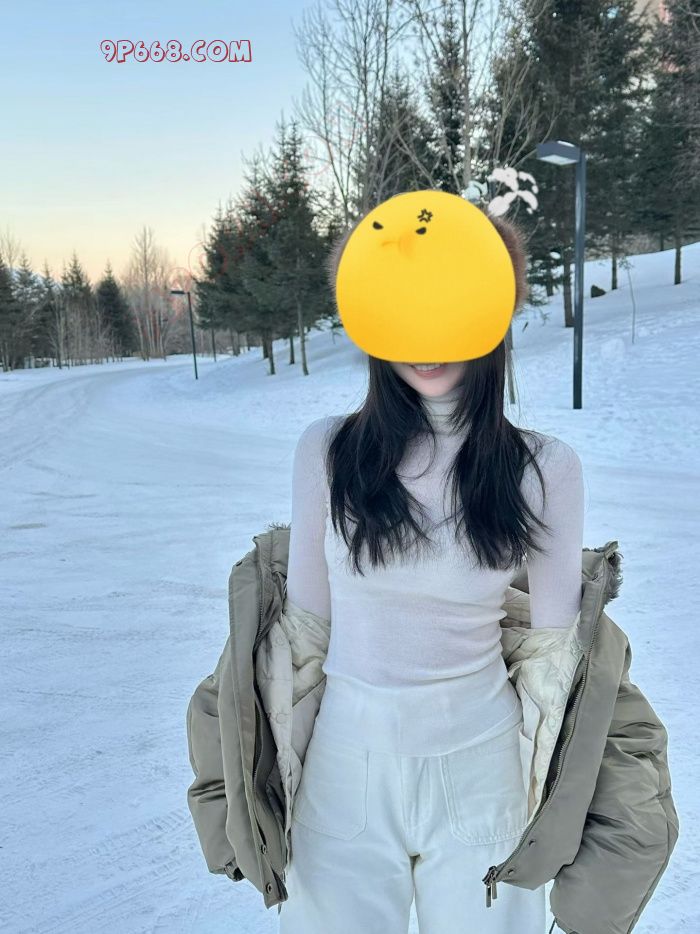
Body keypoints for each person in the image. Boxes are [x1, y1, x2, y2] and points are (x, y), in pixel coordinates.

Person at [278, 215, 584, 934]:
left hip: (483, 768)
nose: (426, 339)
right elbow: (304, 632)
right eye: (405, 309)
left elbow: (556, 656)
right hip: (345, 765)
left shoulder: (545, 469)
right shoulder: (327, 452)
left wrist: (562, 800)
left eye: (449, 306)